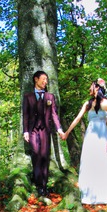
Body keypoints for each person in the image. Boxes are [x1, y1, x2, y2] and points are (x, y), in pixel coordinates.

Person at [60, 78, 107, 205]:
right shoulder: (87, 104)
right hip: (91, 135)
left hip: (102, 135)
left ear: (97, 87)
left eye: (91, 86)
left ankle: (104, 193)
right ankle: (89, 193)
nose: (89, 89)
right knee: (90, 161)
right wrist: (66, 133)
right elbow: (77, 118)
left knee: (102, 161)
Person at [22, 70, 65, 199]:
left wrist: (59, 129)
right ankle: (38, 184)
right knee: (36, 155)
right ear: (36, 79)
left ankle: (44, 186)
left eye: (47, 80)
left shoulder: (50, 97)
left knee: (45, 157)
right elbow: (25, 115)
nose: (45, 82)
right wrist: (25, 131)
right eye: (43, 79)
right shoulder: (28, 97)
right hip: (33, 130)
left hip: (45, 131)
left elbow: (54, 114)